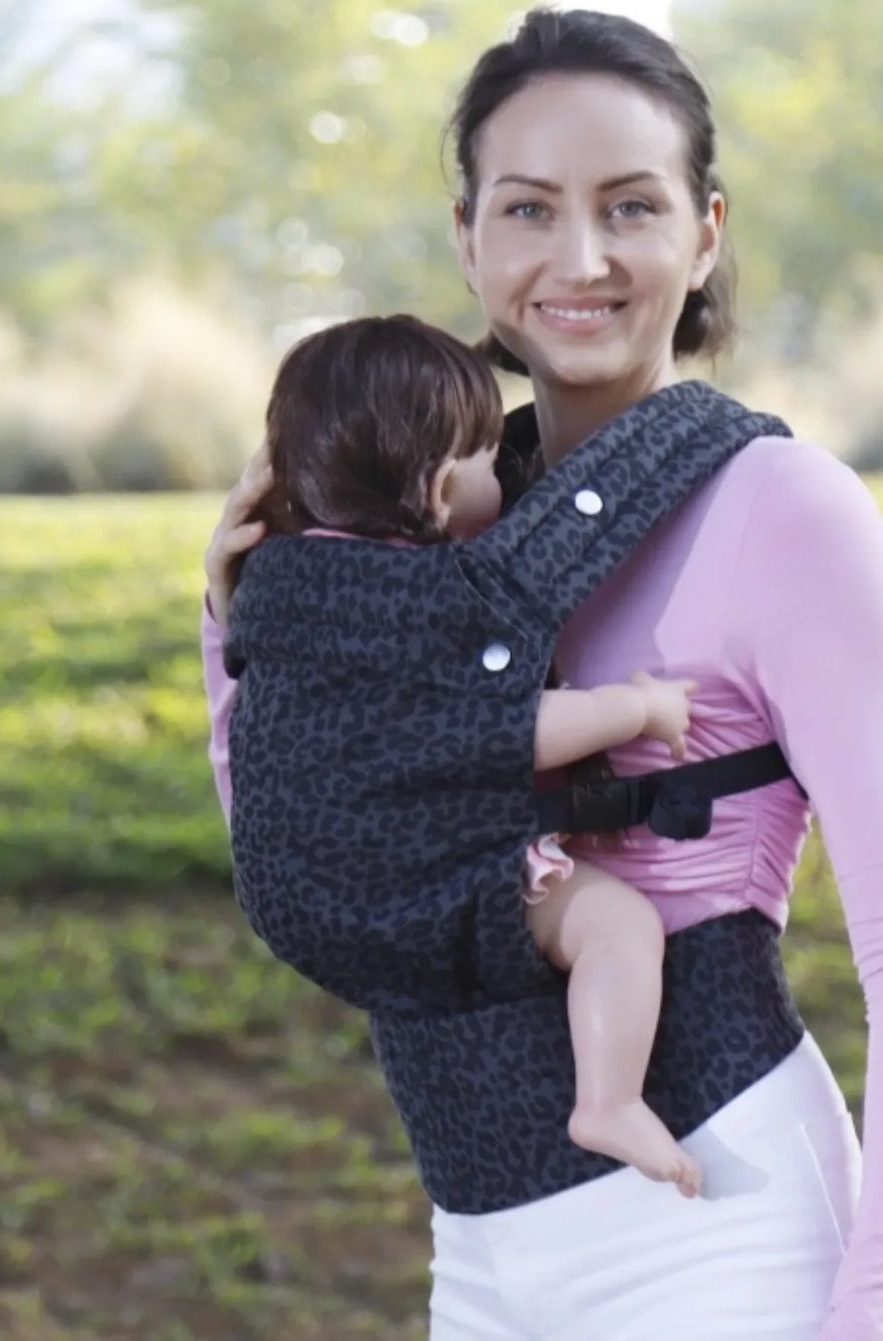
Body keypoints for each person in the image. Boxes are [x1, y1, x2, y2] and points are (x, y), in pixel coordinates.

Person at [203, 7, 883, 1340]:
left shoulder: (784, 510)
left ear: (706, 232)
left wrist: (876, 1318)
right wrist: (238, 637)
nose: (580, 258)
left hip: (718, 1231)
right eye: (527, 209)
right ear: (467, 236)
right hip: (482, 1248)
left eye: (631, 207)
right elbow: (328, 867)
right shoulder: (409, 530)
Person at [228, 310, 704, 1197]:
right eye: (490, 455)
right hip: (414, 891)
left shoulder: (271, 582)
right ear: (442, 490)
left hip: (295, 900)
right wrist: (632, 706)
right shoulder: (433, 599)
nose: (504, 470)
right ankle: (608, 1098)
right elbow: (503, 732)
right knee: (615, 925)